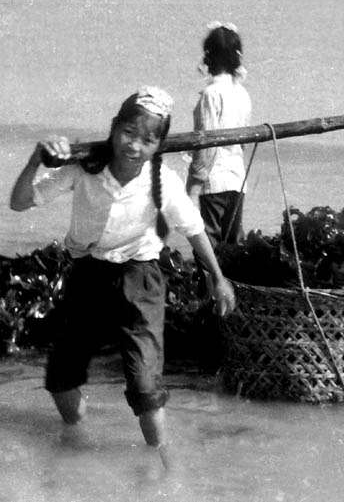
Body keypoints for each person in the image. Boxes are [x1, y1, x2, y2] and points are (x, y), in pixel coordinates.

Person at [9, 87, 236, 467]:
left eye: (148, 140)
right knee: (62, 376)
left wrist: (219, 277)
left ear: (158, 145)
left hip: (140, 277)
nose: (134, 146)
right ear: (114, 129)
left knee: (145, 383)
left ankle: (165, 469)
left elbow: (194, 229)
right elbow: (19, 202)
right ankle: (73, 447)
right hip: (87, 273)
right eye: (128, 133)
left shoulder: (162, 180)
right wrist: (36, 159)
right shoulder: (84, 169)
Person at [186, 22, 252, 251]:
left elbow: (206, 146)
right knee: (232, 246)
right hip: (236, 178)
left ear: (209, 57)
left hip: (213, 181)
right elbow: (242, 142)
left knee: (208, 243)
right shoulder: (242, 93)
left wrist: (193, 187)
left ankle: (211, 285)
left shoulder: (210, 94)